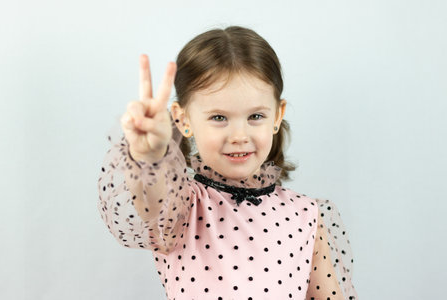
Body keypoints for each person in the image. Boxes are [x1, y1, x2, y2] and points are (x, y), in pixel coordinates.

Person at [97, 25, 358, 300]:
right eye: (219, 118)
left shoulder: (307, 215)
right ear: (183, 119)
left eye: (255, 116)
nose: (239, 136)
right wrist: (149, 159)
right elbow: (151, 201)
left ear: (277, 116)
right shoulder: (183, 205)